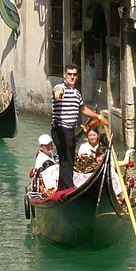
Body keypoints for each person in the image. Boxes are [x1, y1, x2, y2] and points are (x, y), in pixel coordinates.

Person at [51, 64, 108, 192]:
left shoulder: (77, 93)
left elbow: (83, 109)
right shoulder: (60, 87)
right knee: (66, 159)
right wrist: (58, 95)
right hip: (60, 128)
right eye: (69, 74)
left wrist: (98, 117)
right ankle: (68, 189)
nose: (72, 77)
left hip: (69, 130)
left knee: (67, 159)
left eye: (74, 75)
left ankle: (62, 188)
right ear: (64, 75)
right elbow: (56, 92)